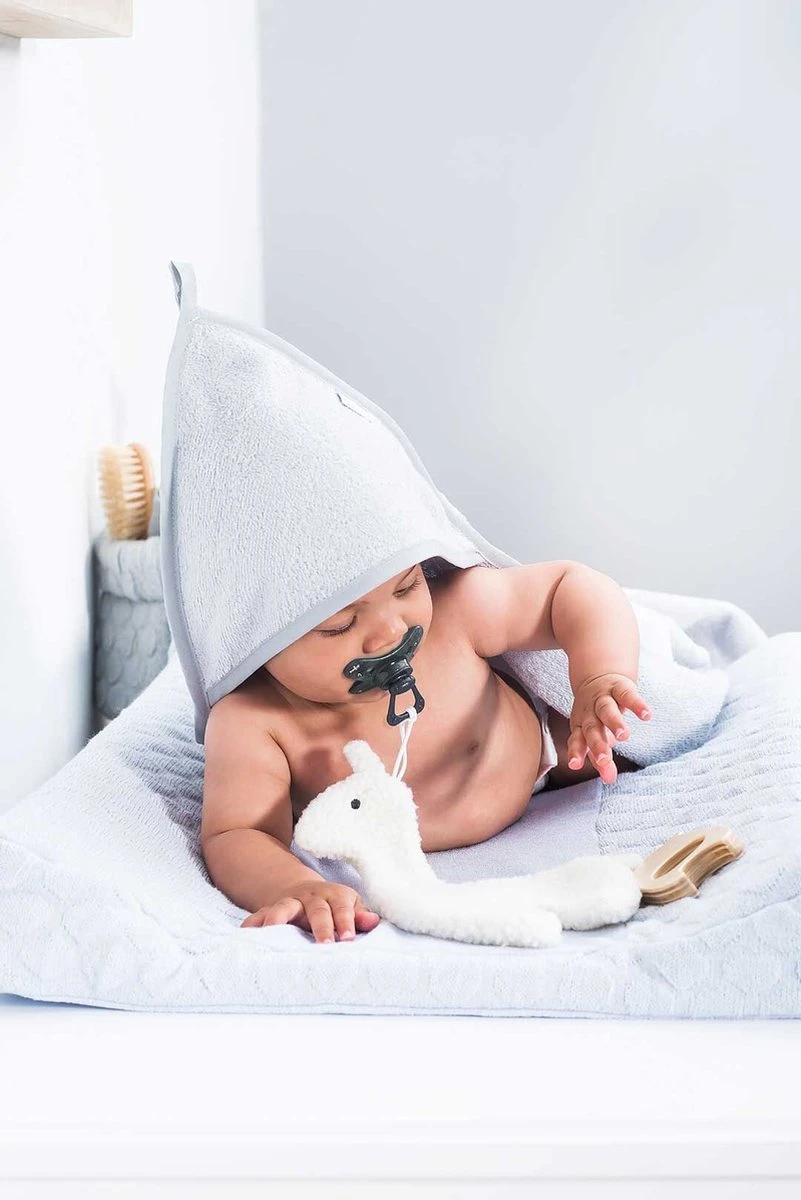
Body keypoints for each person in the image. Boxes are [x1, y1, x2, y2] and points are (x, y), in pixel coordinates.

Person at [201, 560, 651, 944]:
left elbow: (569, 586)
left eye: (405, 587)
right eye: (339, 623)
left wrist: (598, 676)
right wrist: (296, 885)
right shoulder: (253, 720)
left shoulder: (456, 609)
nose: (393, 631)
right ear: (256, 631)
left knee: (608, 742)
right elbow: (239, 833)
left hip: (541, 752)